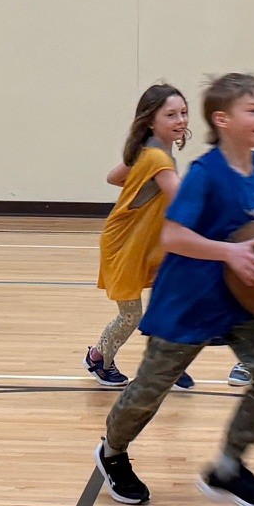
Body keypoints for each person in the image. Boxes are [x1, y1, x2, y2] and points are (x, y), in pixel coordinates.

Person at [92, 73, 254, 506]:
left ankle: (228, 465)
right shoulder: (204, 174)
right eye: (253, 110)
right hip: (187, 300)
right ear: (222, 120)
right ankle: (111, 453)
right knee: (149, 391)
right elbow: (173, 236)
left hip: (240, 301)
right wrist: (229, 253)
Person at [87, 84, 195, 391]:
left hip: (147, 243)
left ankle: (168, 365)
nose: (180, 120)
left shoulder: (150, 150)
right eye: (170, 114)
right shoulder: (156, 158)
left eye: (183, 113)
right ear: (150, 121)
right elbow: (183, 199)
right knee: (131, 316)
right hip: (124, 246)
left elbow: (114, 177)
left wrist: (138, 187)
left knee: (173, 298)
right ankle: (98, 358)